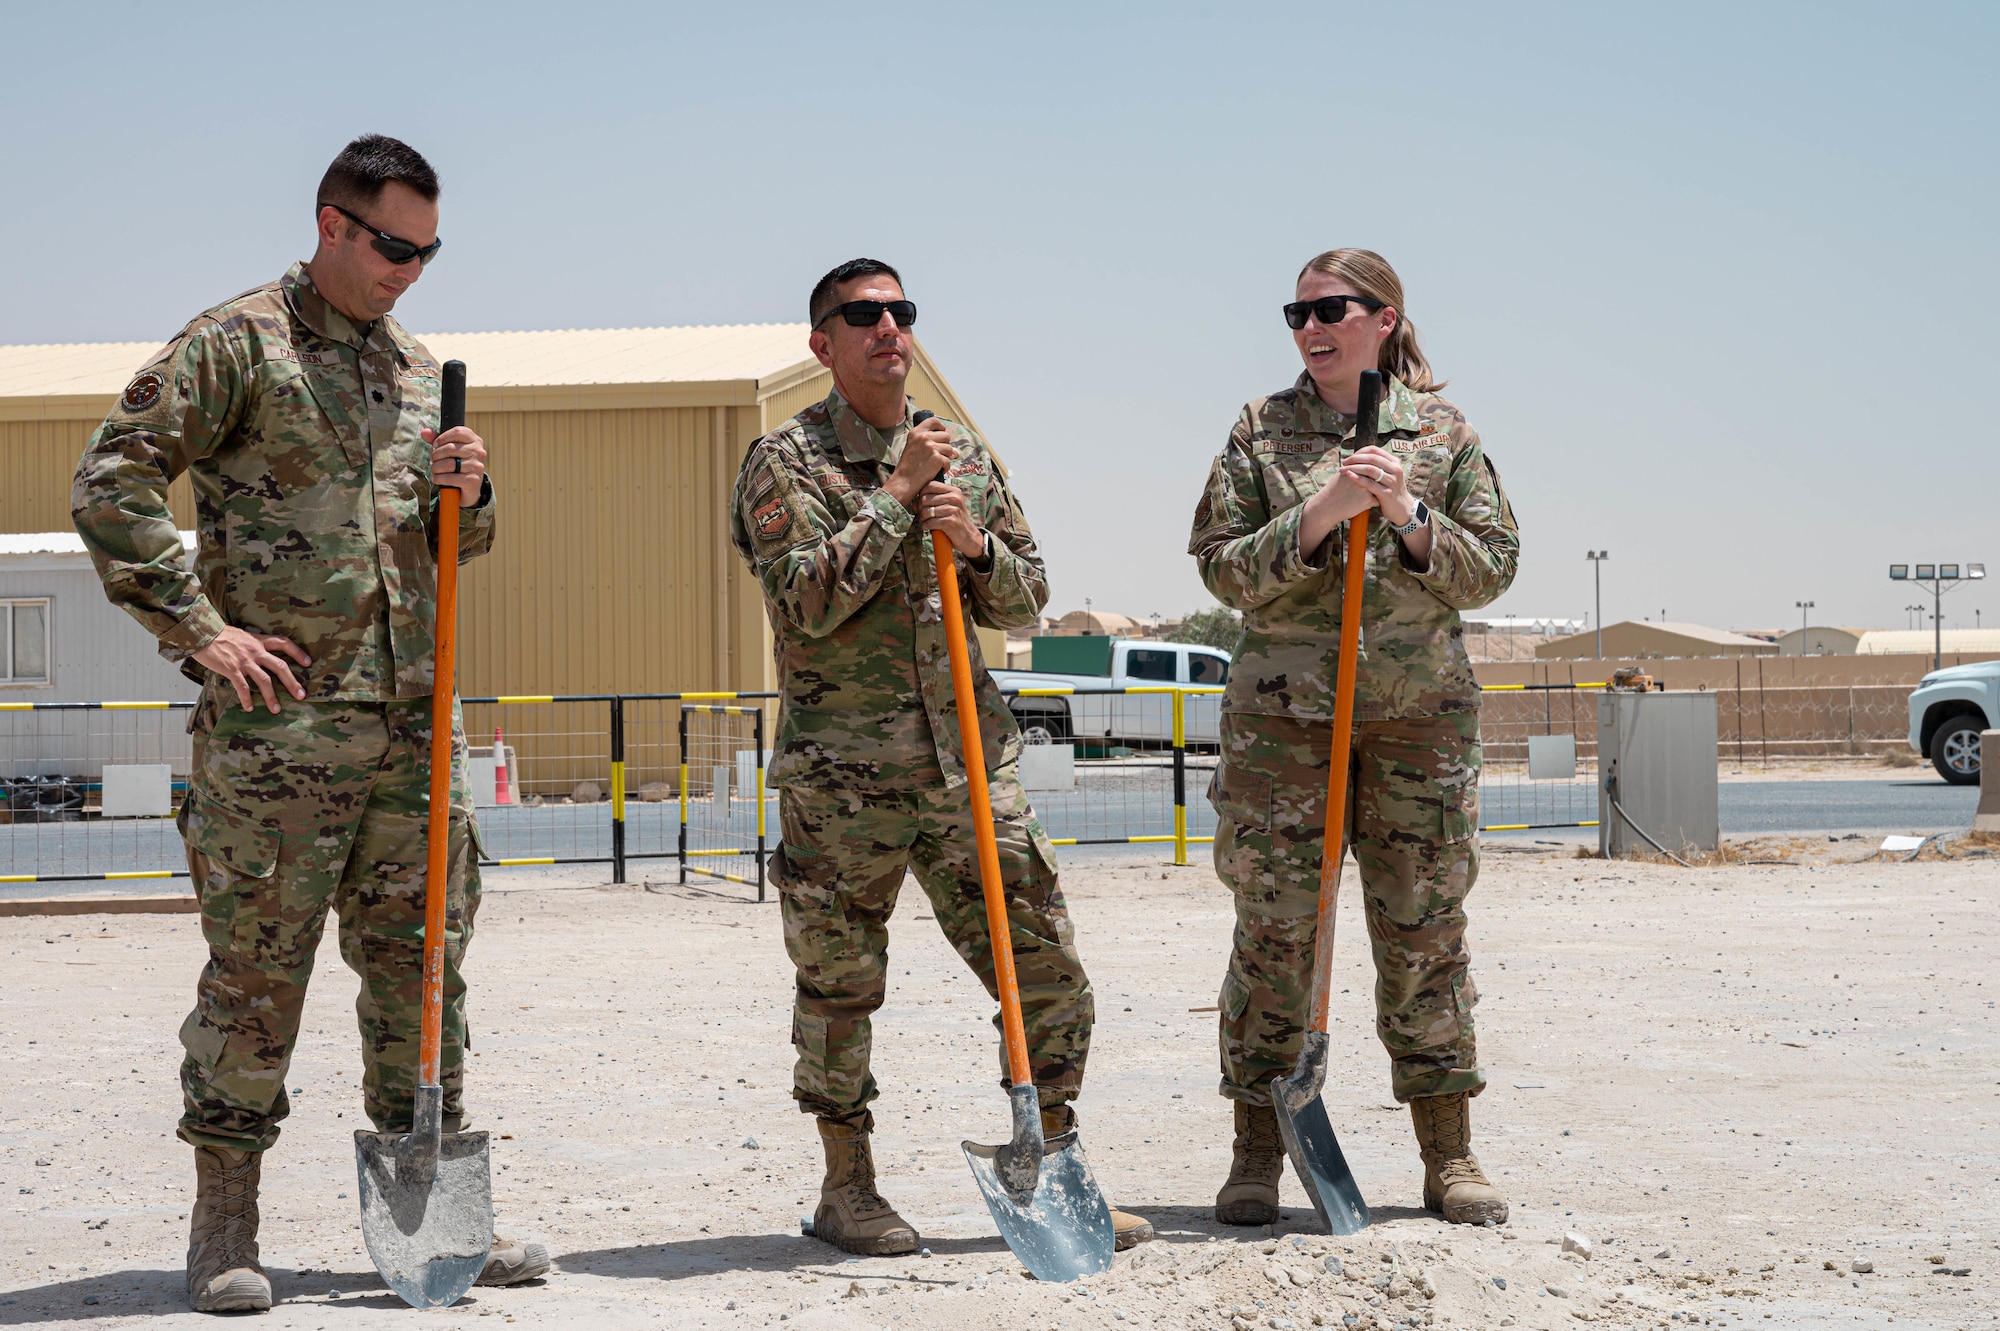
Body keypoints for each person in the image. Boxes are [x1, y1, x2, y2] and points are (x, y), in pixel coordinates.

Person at [70, 134, 548, 1312]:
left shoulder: (412, 366)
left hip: (408, 736)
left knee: (424, 976)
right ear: (332, 223)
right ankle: (224, 1224)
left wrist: (470, 494)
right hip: (279, 740)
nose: (410, 272)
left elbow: (449, 549)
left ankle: (432, 1214)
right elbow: (111, 481)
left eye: (429, 253)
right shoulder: (237, 344)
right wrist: (199, 630)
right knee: (256, 979)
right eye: (394, 246)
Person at [729, 258, 1152, 1256]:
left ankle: (1049, 1157)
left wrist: (972, 547)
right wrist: (895, 498)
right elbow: (804, 599)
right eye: (862, 315)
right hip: (844, 778)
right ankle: (847, 1185)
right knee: (838, 986)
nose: (888, 328)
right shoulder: (781, 461)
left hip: (967, 762)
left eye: (901, 312)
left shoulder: (961, 452)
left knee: (1044, 964)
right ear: (820, 344)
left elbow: (1026, 594)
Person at [1188, 248, 1521, 1227]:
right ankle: (1256, 1148)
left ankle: (1447, 1152)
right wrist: (1320, 513)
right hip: (1283, 730)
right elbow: (1218, 566)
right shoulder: (1261, 430)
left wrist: (1408, 514)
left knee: (1423, 932)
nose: (1308, 327)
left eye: (1329, 308)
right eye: (1295, 313)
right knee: (1274, 932)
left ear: (1383, 318)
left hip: (1415, 724)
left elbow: (1492, 567)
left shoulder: (1441, 433)